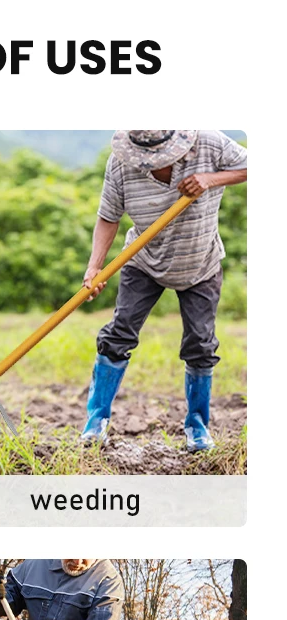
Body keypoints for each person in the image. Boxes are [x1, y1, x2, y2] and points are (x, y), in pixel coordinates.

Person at [80, 130, 247, 453]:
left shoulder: (210, 143)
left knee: (200, 343)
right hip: (142, 260)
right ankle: (95, 424)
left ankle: (197, 428)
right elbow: (108, 216)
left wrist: (211, 180)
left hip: (200, 263)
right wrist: (94, 268)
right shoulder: (120, 164)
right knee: (119, 333)